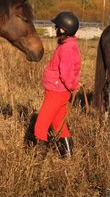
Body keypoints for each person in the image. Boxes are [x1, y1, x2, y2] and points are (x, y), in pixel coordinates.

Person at [34, 11, 81, 158]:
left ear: (63, 30)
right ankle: (68, 155)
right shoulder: (68, 46)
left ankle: (38, 159)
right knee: (59, 122)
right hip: (59, 91)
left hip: (57, 91)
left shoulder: (66, 49)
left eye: (57, 27)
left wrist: (73, 85)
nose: (55, 29)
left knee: (41, 124)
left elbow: (66, 73)